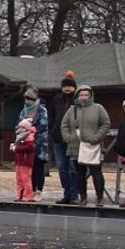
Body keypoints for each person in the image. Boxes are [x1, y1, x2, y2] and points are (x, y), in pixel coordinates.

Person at [59, 84, 111, 205]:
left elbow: (106, 124)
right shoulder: (72, 110)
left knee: (96, 173)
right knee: (79, 174)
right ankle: (83, 197)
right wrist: (68, 138)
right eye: (81, 95)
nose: (84, 97)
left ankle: (99, 197)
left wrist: (97, 137)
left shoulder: (98, 108)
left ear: (91, 95)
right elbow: (64, 125)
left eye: (86, 95)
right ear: (77, 96)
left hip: (93, 146)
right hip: (76, 146)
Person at [48, 72, 79, 200]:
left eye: (69, 86)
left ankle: (74, 194)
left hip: (73, 139)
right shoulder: (57, 99)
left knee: (73, 168)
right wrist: (52, 130)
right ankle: (66, 193)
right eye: (64, 86)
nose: (67, 88)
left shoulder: (77, 100)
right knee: (62, 167)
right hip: (58, 138)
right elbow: (52, 116)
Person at [12, 119, 38, 202]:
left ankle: (28, 196)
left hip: (26, 162)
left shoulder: (29, 137)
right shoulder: (20, 137)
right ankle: (20, 195)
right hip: (19, 161)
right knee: (19, 180)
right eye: (20, 127)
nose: (21, 129)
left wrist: (16, 148)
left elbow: (29, 148)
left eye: (23, 127)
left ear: (27, 129)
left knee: (26, 179)